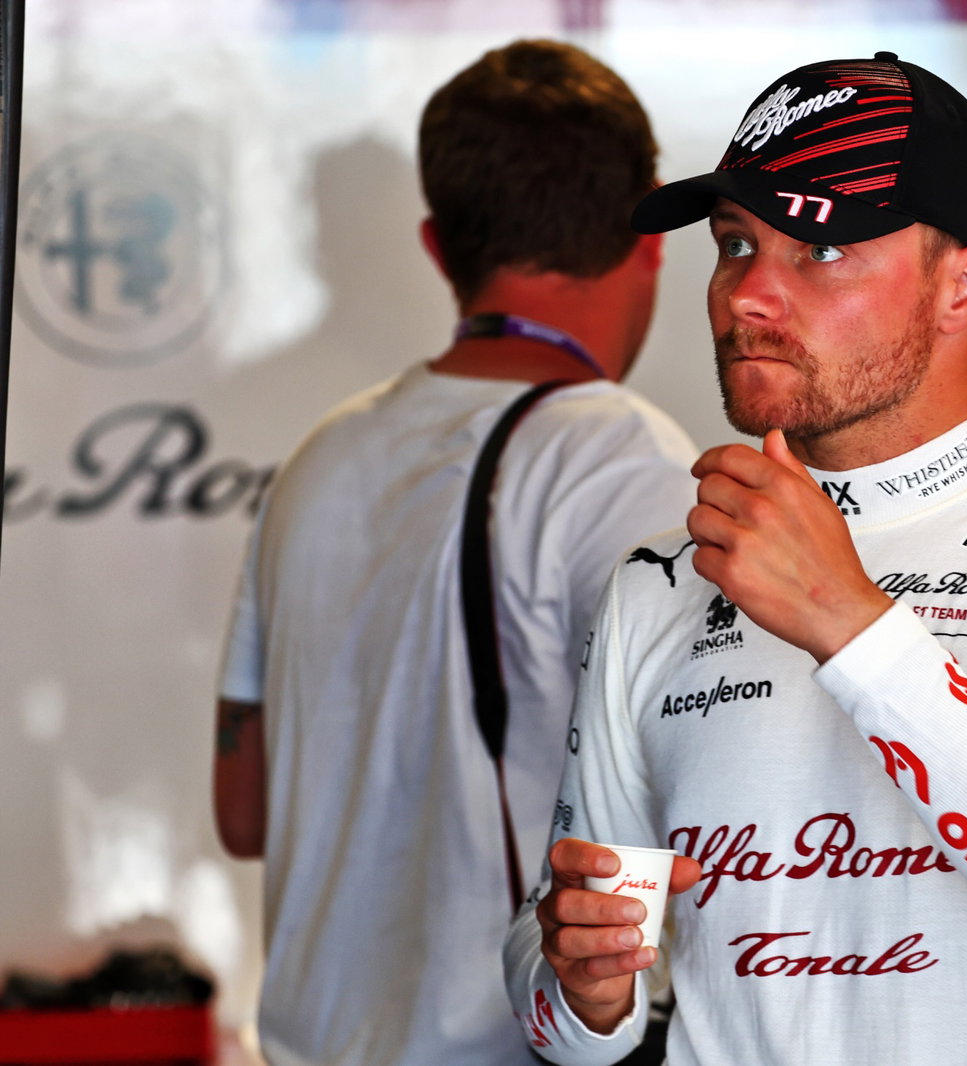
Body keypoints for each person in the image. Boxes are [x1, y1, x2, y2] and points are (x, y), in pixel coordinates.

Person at [502, 51, 967, 1065]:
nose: (747, 295)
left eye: (818, 249)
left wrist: (850, 621)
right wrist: (585, 986)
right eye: (732, 244)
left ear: (965, 284)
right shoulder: (661, 578)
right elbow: (563, 1015)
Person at [211, 40, 699, 1066]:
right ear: (650, 227)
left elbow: (242, 806)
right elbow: (698, 805)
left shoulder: (321, 456)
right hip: (505, 1046)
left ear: (437, 244)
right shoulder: (619, 456)